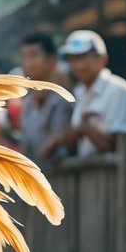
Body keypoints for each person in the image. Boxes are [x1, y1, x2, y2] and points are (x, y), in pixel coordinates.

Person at [58, 30, 126, 156]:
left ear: (101, 59)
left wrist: (86, 128)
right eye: (71, 59)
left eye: (82, 57)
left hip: (117, 174)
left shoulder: (117, 90)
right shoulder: (79, 92)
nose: (78, 65)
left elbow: (117, 146)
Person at [16, 32, 74, 170]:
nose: (28, 62)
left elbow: (63, 144)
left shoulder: (65, 98)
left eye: (33, 55)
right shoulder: (28, 103)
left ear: (51, 60)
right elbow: (26, 147)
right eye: (24, 56)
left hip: (65, 178)